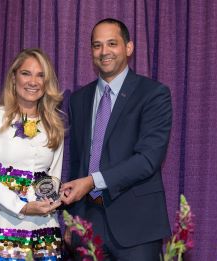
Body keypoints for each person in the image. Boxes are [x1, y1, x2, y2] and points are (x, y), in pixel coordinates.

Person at [61, 18, 172, 260]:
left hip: (137, 228)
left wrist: (91, 182)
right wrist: (72, 219)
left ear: (128, 48)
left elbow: (148, 160)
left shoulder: (153, 94)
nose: (104, 52)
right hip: (88, 225)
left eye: (112, 43)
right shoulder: (78, 99)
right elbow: (79, 162)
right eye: (97, 45)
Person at [0, 48, 64, 260]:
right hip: (1, 228)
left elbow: (54, 177)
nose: (33, 81)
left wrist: (51, 201)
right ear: (14, 77)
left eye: (41, 75)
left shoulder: (54, 124)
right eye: (26, 73)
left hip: (45, 230)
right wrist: (23, 207)